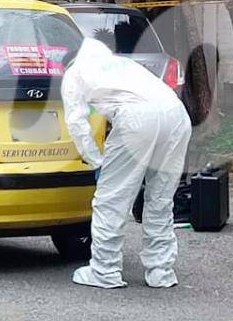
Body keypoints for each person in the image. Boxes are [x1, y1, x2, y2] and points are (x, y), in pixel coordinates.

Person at [60, 37, 192, 289]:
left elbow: (77, 123)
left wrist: (95, 160)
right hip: (176, 115)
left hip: (137, 119)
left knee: (111, 199)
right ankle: (160, 271)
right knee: (161, 197)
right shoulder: (120, 64)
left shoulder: (75, 72)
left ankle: (104, 270)